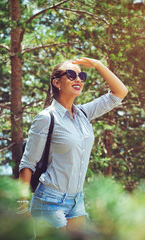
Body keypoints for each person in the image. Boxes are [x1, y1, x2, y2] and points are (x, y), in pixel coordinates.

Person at [18, 57, 128, 233]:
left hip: (77, 201)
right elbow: (28, 163)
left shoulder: (84, 113)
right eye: (71, 75)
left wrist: (98, 65)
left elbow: (120, 93)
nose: (78, 79)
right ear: (56, 82)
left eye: (81, 76)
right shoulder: (46, 118)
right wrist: (22, 205)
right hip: (49, 201)